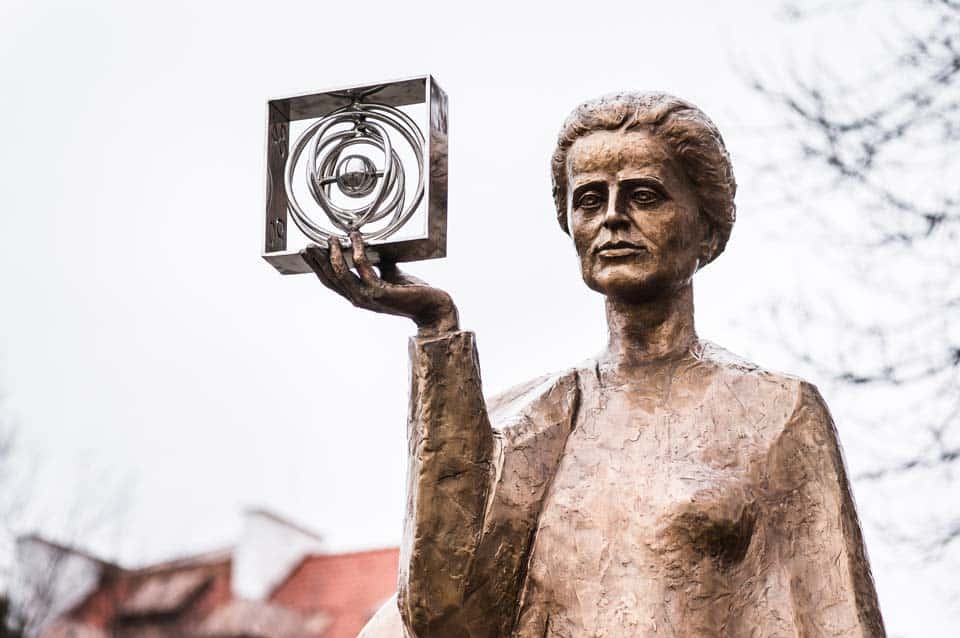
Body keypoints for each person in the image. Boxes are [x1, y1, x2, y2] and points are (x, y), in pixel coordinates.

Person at [301, 92, 885, 637]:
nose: (612, 217)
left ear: (706, 227)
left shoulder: (775, 411)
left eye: (644, 194)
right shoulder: (531, 417)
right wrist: (436, 330)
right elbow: (444, 614)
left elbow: (833, 617)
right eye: (589, 199)